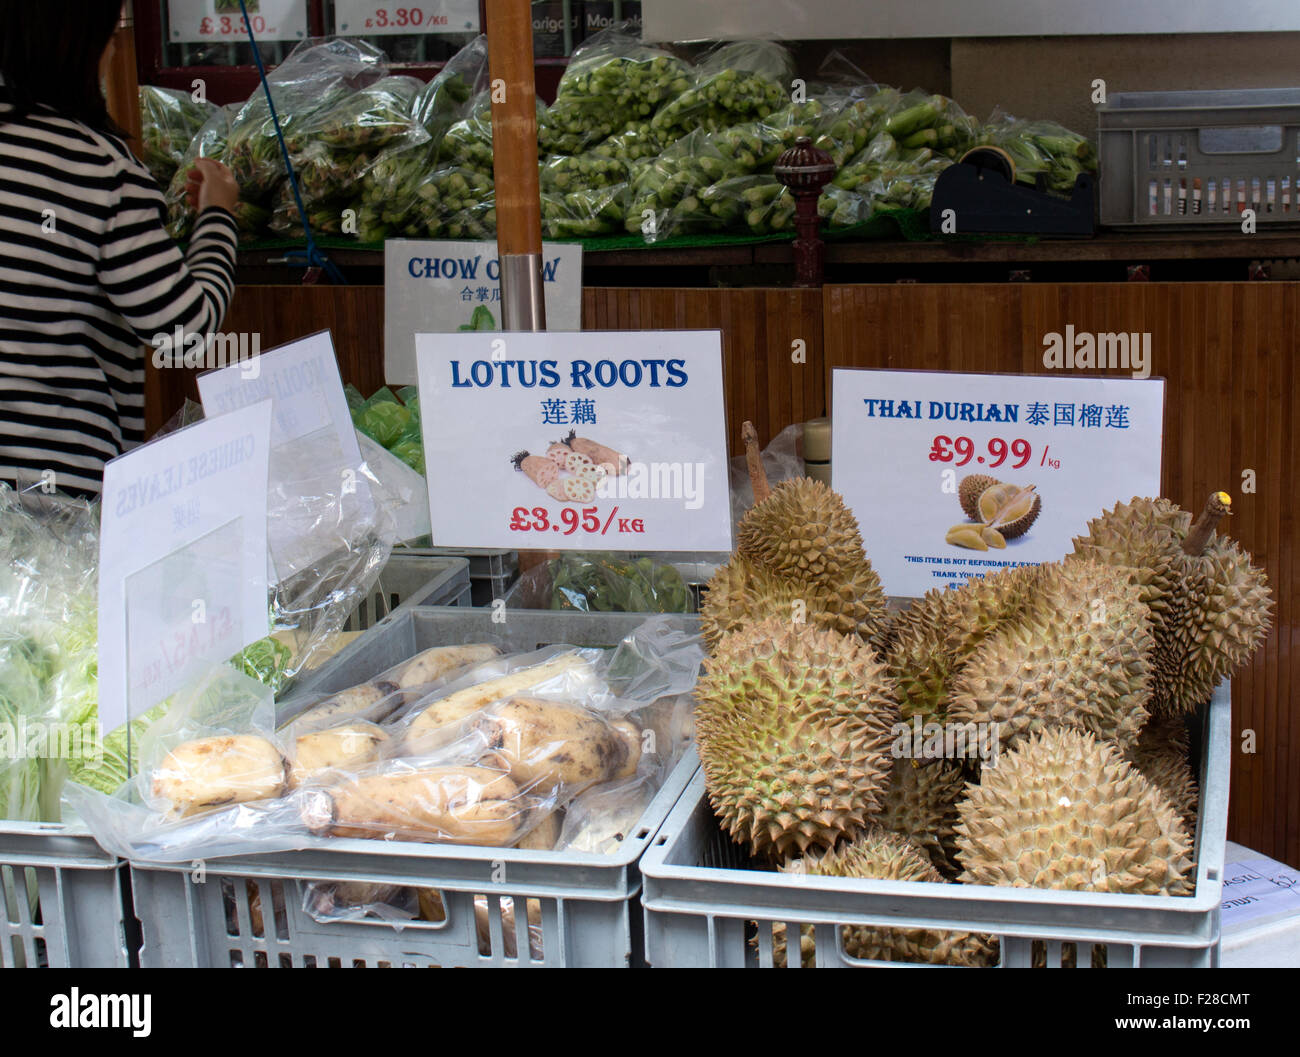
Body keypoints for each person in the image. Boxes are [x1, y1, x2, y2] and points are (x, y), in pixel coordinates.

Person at [0, 2, 240, 498]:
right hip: (52, 493)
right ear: (81, 50)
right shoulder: (99, 171)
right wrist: (218, 216)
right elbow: (182, 330)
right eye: (109, 38)